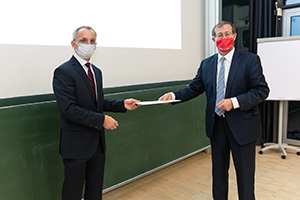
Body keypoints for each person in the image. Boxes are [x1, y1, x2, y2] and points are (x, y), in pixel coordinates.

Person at [159, 21, 269, 200]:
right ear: (213, 39)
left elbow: (261, 91)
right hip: (217, 127)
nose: (223, 38)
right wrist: (172, 95)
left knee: (245, 177)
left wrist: (233, 102)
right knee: (218, 175)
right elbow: (193, 88)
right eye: (219, 35)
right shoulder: (207, 64)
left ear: (234, 36)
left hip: (244, 128)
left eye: (227, 34)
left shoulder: (250, 60)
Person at [52, 26, 140, 200]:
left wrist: (121, 104)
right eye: (83, 40)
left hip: (97, 146)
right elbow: (69, 109)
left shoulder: (96, 72)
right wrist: (102, 120)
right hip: (76, 146)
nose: (88, 44)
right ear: (73, 44)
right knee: (73, 193)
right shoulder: (63, 72)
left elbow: (97, 104)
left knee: (95, 192)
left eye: (92, 41)